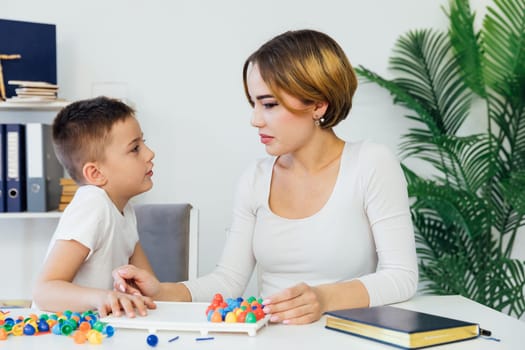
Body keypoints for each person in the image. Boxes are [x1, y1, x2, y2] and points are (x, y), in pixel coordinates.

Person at [114, 29, 418, 324]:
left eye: (269, 104)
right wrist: (162, 291)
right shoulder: (255, 179)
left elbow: (401, 276)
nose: (255, 119)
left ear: (318, 104)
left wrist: (324, 298)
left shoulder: (370, 164)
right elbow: (229, 281)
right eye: (254, 103)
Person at [33, 96, 157, 317]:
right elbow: (44, 291)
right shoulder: (93, 204)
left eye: (143, 143)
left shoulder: (124, 209)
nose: (149, 154)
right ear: (96, 173)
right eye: (135, 148)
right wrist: (102, 297)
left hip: (96, 332)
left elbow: (150, 287)